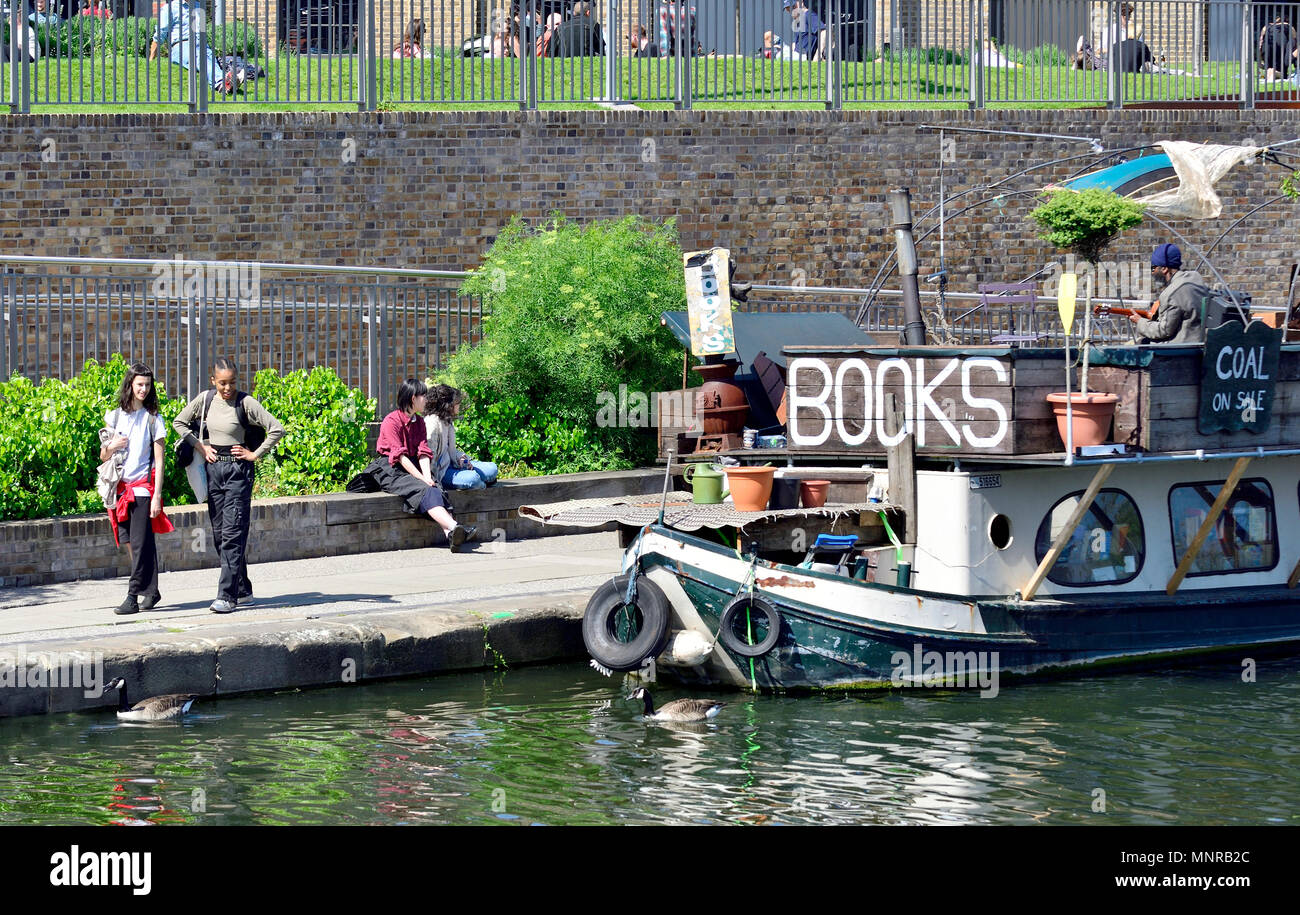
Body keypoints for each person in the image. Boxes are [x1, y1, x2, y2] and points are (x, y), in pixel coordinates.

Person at [172, 357, 284, 614]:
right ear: (213, 380)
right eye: (222, 383)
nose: (227, 388)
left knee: (233, 533)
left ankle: (227, 596)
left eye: (232, 382)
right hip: (214, 470)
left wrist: (255, 454)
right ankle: (243, 591)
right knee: (221, 535)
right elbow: (179, 423)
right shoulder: (206, 399)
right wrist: (200, 446)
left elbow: (276, 429)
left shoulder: (246, 402)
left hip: (238, 471)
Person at [101, 363, 174, 616]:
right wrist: (113, 446)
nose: (144, 389)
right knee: (131, 544)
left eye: (147, 385)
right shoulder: (114, 417)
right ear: (130, 384)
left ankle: (132, 597)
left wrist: (157, 497)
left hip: (142, 490)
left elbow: (160, 461)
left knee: (142, 545)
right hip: (119, 491)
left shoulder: (153, 419)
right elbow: (102, 456)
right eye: (139, 384)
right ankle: (152, 591)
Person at [372, 379, 476, 551]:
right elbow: (400, 456)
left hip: (412, 464)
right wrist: (421, 478)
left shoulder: (419, 422)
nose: (427, 399)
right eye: (424, 396)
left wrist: (428, 477)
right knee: (423, 488)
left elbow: (423, 451)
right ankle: (455, 526)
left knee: (435, 486)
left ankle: (451, 533)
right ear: (413, 398)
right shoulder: (391, 421)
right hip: (390, 468)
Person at [149, 0, 243, 95]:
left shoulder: (198, 6)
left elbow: (200, 30)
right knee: (198, 57)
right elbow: (160, 34)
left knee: (209, 58)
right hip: (181, 45)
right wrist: (151, 59)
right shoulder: (170, 8)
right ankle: (221, 83)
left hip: (201, 44)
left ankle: (230, 80)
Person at [1130, 243, 1210, 345]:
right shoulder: (1195, 279)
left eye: (1153, 268)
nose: (1152, 272)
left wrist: (1140, 322)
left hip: (1180, 348)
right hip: (1202, 342)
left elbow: (1164, 330)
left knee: (1133, 345)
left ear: (1164, 269)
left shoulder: (1171, 294)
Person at [426, 385, 498, 491]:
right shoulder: (432, 424)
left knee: (492, 469)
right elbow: (429, 458)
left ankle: (480, 481)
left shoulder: (446, 420)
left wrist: (460, 458)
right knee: (473, 479)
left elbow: (448, 450)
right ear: (449, 405)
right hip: (441, 472)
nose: (459, 406)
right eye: (457, 403)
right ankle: (482, 484)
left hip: (451, 464)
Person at [1259, 15, 1298, 82]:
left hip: (1269, 52)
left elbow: (1261, 43)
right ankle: (1275, 72)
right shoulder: (1289, 27)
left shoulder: (1266, 27)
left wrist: (1260, 59)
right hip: (1283, 55)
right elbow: (1295, 41)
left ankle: (1272, 72)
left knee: (1269, 68)